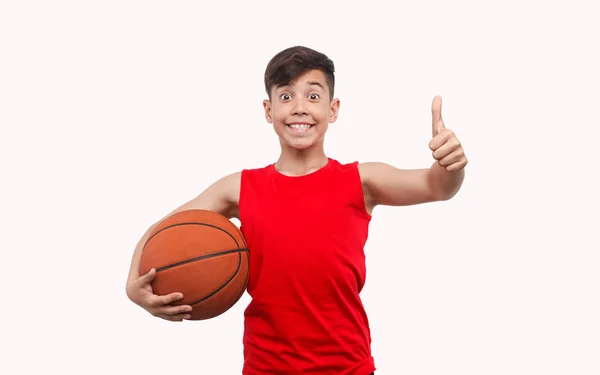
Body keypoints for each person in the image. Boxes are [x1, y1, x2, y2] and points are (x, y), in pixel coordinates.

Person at [125, 46, 468, 375]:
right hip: (266, 367)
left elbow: (437, 187)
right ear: (268, 110)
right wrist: (132, 286)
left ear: (333, 110)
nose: (300, 107)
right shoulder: (239, 188)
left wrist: (450, 164)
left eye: (313, 95)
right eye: (286, 96)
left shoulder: (361, 180)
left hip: (348, 367)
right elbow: (164, 227)